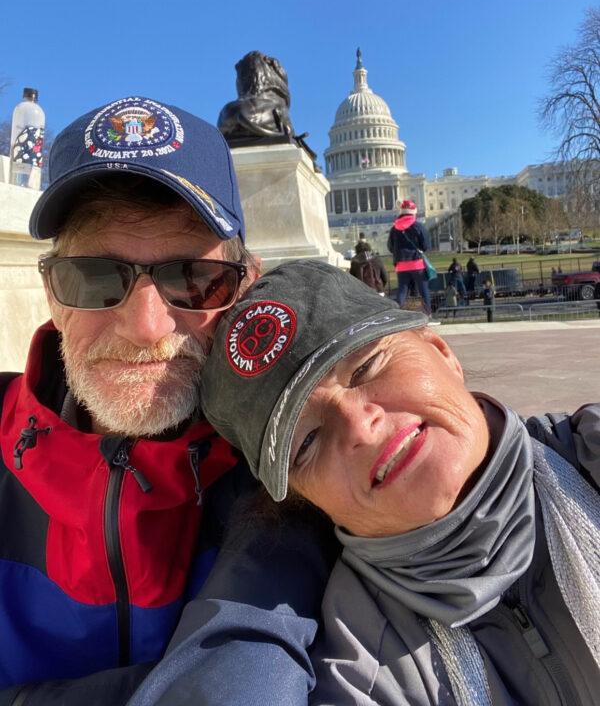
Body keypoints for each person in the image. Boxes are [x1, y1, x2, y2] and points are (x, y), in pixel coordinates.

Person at [0, 97, 330, 706]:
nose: (147, 327)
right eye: (96, 278)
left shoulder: (300, 461)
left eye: (193, 278)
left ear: (245, 287)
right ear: (51, 292)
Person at [198, 259, 600, 706]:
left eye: (367, 367)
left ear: (442, 352)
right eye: (308, 441)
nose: (361, 427)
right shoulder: (358, 671)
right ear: (305, 500)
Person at [387, 199, 432, 314]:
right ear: (413, 212)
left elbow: (390, 247)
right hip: (416, 263)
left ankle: (397, 315)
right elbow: (426, 245)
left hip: (401, 265)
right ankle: (428, 313)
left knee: (402, 291)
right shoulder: (418, 226)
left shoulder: (394, 228)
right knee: (423, 290)